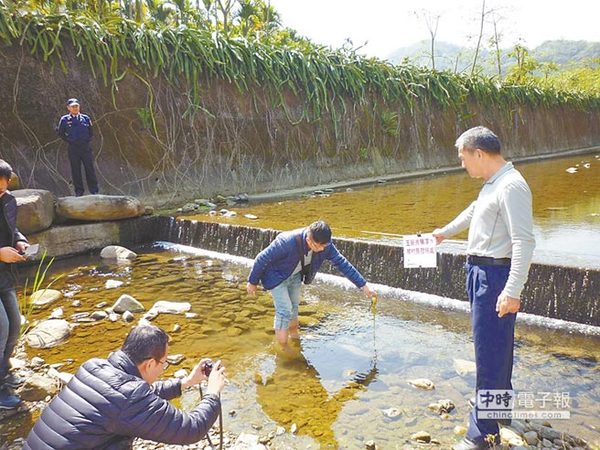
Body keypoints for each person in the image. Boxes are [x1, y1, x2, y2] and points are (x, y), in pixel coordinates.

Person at [432, 126, 535, 450]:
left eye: (463, 158)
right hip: (483, 273)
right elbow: (474, 212)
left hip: (494, 278)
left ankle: (481, 436)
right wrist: (444, 234)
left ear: (479, 154)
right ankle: (500, 411)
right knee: (497, 349)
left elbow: (524, 241)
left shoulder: (512, 185)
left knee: (488, 354)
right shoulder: (494, 184)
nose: (463, 165)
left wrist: (513, 290)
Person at [24, 325, 227, 449]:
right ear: (149, 364)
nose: (164, 368)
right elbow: (191, 429)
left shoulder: (93, 367)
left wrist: (186, 383)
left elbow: (128, 398)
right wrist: (212, 393)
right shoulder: (130, 397)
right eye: (164, 363)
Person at [247, 220, 375, 349]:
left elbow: (343, 264)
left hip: (295, 275)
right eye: (316, 245)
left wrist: (363, 286)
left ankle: (294, 335)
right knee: (285, 310)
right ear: (309, 237)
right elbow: (261, 258)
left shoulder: (326, 246)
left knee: (294, 305)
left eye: (323, 246)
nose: (320, 249)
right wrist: (252, 282)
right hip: (275, 276)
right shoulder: (287, 241)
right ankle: (283, 347)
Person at [0, 159, 29, 410]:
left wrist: (19, 241)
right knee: (1, 327)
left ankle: (5, 371)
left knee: (15, 326)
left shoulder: (8, 200)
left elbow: (11, 228)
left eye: (2, 187)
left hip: (4, 276)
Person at [56, 98, 99, 196]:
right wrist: (70, 140)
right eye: (73, 106)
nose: (75, 108)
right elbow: (61, 133)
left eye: (76, 106)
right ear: (68, 108)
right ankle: (79, 191)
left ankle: (94, 190)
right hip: (73, 148)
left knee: (89, 168)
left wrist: (86, 140)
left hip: (85, 147)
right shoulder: (65, 120)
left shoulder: (85, 118)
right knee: (76, 170)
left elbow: (90, 132)